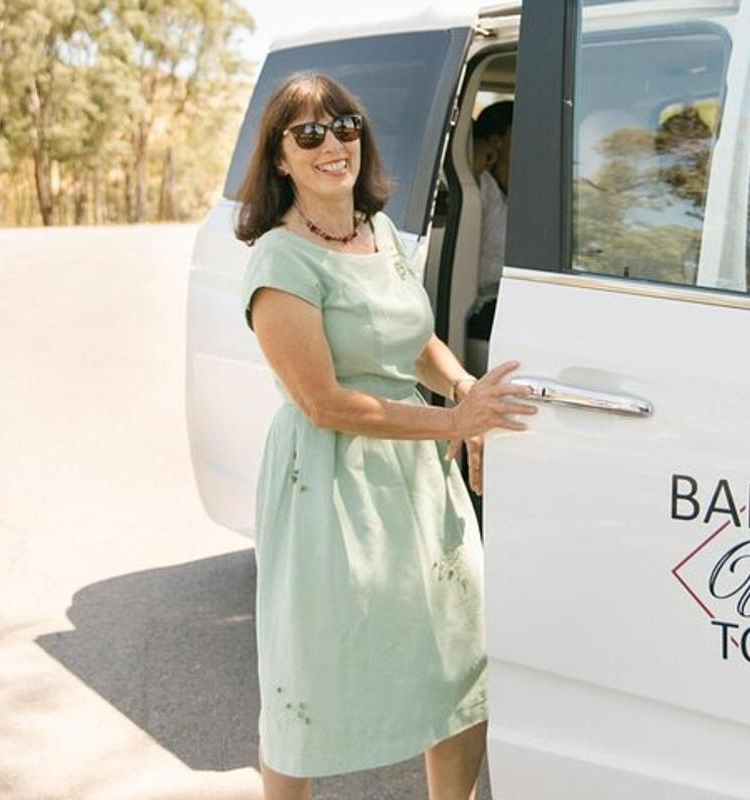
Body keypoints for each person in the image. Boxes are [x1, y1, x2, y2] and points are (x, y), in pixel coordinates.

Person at [233, 73, 536, 800]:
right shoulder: (280, 262)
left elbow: (416, 333)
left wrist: (461, 383)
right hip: (332, 482)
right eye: (308, 133)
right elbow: (324, 403)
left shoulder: (379, 231)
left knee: (458, 657)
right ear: (279, 158)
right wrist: (455, 422)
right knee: (312, 668)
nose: (332, 143)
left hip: (419, 474)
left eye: (344, 126)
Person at [467, 100, 513, 340]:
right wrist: (474, 154)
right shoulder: (481, 185)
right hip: (486, 303)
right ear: (495, 143)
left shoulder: (510, 193)